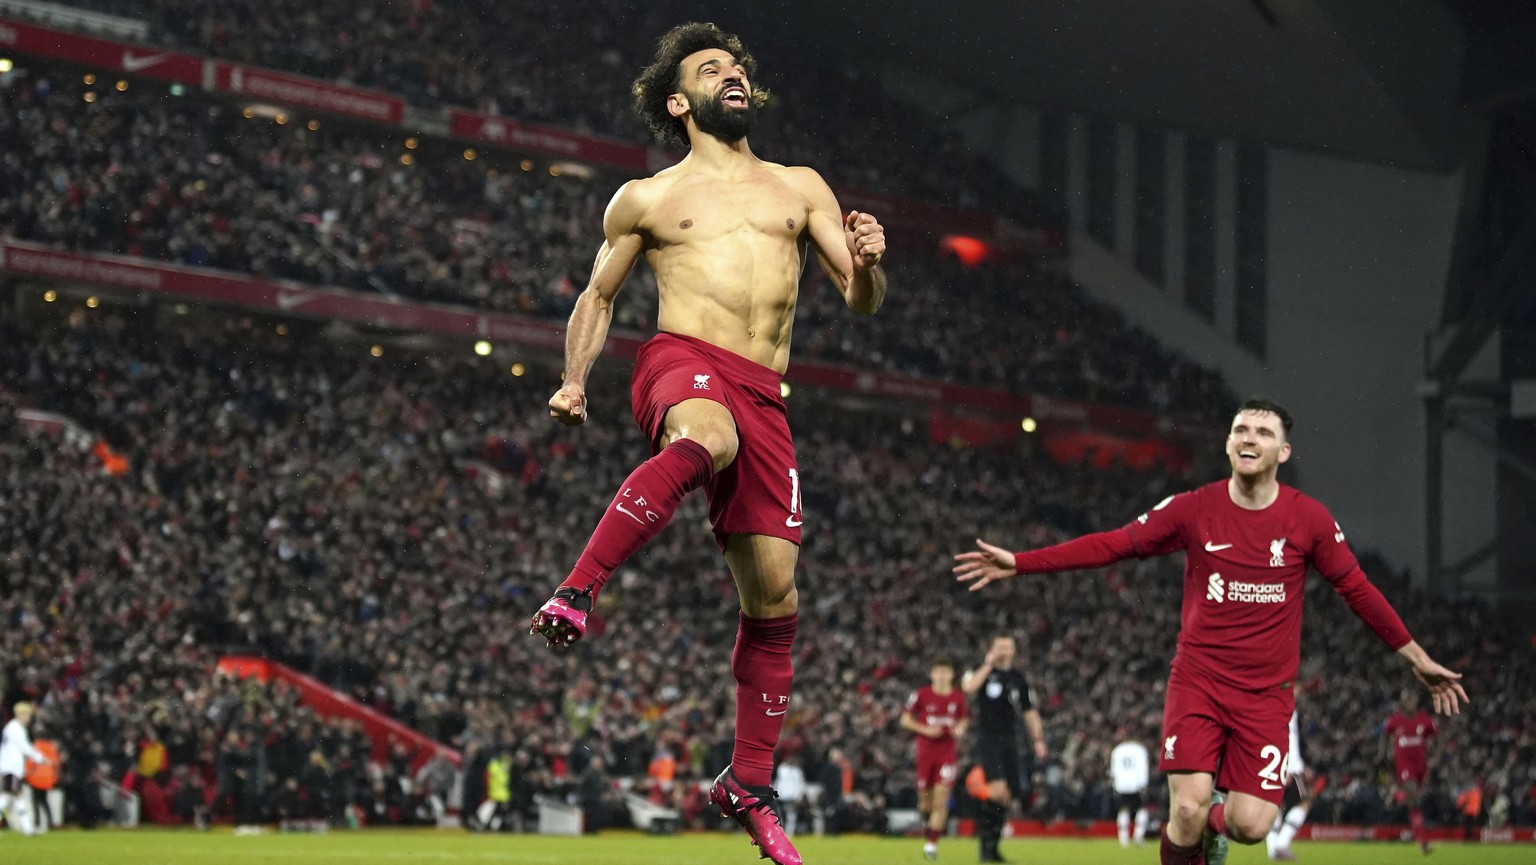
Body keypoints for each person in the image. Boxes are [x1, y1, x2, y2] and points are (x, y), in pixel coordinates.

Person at [527, 20, 886, 865]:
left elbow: (859, 299)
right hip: (681, 359)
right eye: (710, 67)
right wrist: (576, 378)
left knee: (776, 596)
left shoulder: (800, 186)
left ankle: (746, 783)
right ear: (679, 100)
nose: (733, 73)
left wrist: (869, 262)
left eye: (737, 66)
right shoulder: (646, 198)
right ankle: (579, 589)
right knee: (708, 435)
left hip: (769, 391)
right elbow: (598, 294)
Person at [953, 398, 1468, 865]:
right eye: (1241, 429)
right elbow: (1114, 544)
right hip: (1198, 683)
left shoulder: (1307, 519)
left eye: (1263, 433)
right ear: (1227, 443)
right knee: (1187, 813)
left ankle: (1216, 826)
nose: (1249, 438)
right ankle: (1198, 833)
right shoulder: (1193, 509)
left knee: (1251, 825)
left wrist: (1417, 658)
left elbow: (1357, 589)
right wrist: (1021, 562)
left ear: (1283, 451)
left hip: (1266, 697)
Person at [960, 635, 1046, 863]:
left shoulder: (1018, 679)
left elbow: (1029, 711)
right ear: (992, 648)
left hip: (1010, 740)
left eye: (1007, 647)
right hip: (989, 739)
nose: (1003, 650)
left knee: (1006, 796)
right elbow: (968, 688)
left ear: (1014, 650)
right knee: (996, 790)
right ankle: (985, 847)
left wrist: (1038, 739)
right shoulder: (984, 673)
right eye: (999, 646)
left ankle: (992, 848)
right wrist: (988, 664)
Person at [900, 656, 969, 860]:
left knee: (941, 799)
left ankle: (931, 845)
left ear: (951, 675)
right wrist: (926, 730)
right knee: (925, 805)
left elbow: (963, 720)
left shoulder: (958, 698)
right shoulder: (921, 695)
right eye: (938, 672)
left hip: (947, 754)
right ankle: (929, 826)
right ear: (932, 675)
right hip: (925, 753)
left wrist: (960, 730)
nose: (941, 676)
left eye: (945, 672)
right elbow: (905, 720)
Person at [1382, 690, 1439, 854]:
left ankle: (1398, 795)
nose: (1408, 702)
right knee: (1413, 798)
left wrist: (1435, 756)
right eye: (1406, 699)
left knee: (1413, 799)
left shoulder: (1425, 719)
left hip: (1421, 766)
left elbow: (1440, 738)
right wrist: (1383, 755)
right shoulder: (1394, 720)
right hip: (1404, 766)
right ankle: (1423, 842)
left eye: (1411, 699)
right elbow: (1384, 738)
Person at [1265, 711, 1313, 861]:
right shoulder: (1287, 708)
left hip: (1274, 763)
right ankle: (1281, 844)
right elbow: (1289, 738)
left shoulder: (1273, 706)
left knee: (1276, 805)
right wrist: (1290, 766)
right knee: (1304, 803)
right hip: (1289, 767)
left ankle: (1273, 848)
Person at [1, 702, 52, 835]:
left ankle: (27, 828)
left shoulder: (11, 727)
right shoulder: (15, 728)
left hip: (11, 767)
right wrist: (41, 758)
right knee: (8, 797)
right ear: (22, 714)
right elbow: (25, 747)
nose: (28, 718)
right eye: (27, 715)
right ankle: (28, 829)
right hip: (11, 767)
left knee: (16, 797)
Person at [1110, 733, 1151, 848]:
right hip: (1136, 784)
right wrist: (1144, 785)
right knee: (1142, 808)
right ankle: (1138, 836)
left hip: (1121, 784)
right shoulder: (1140, 750)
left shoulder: (1117, 750)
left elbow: (1114, 771)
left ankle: (1123, 840)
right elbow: (1143, 768)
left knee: (1123, 810)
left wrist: (1115, 786)